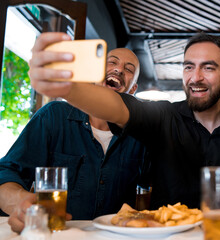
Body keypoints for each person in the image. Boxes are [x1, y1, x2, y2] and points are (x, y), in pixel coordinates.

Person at [29, 32, 220, 209]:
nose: (195, 77)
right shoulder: (163, 115)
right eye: (189, 67)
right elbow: (119, 107)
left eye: (208, 68)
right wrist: (66, 87)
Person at [0, 46, 148, 233]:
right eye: (112, 62)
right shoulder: (53, 116)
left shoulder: (140, 135)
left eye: (129, 69)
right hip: (55, 234)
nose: (118, 69)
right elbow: (7, 171)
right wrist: (19, 202)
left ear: (132, 89)